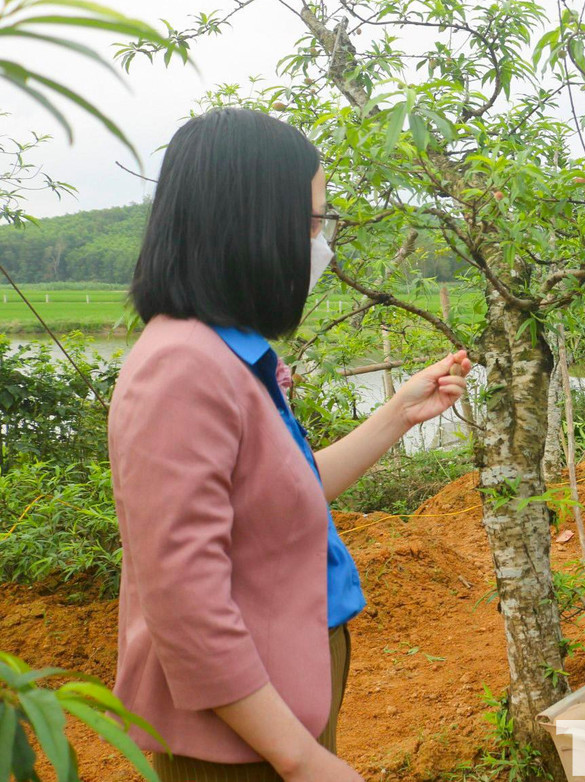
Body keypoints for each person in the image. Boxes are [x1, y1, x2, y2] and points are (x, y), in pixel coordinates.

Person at [110, 108, 472, 782]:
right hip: (238, 733)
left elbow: (286, 490)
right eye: (311, 223)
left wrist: (400, 413)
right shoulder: (183, 368)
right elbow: (185, 601)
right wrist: (300, 759)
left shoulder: (227, 354)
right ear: (251, 223)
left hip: (277, 694)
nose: (319, 242)